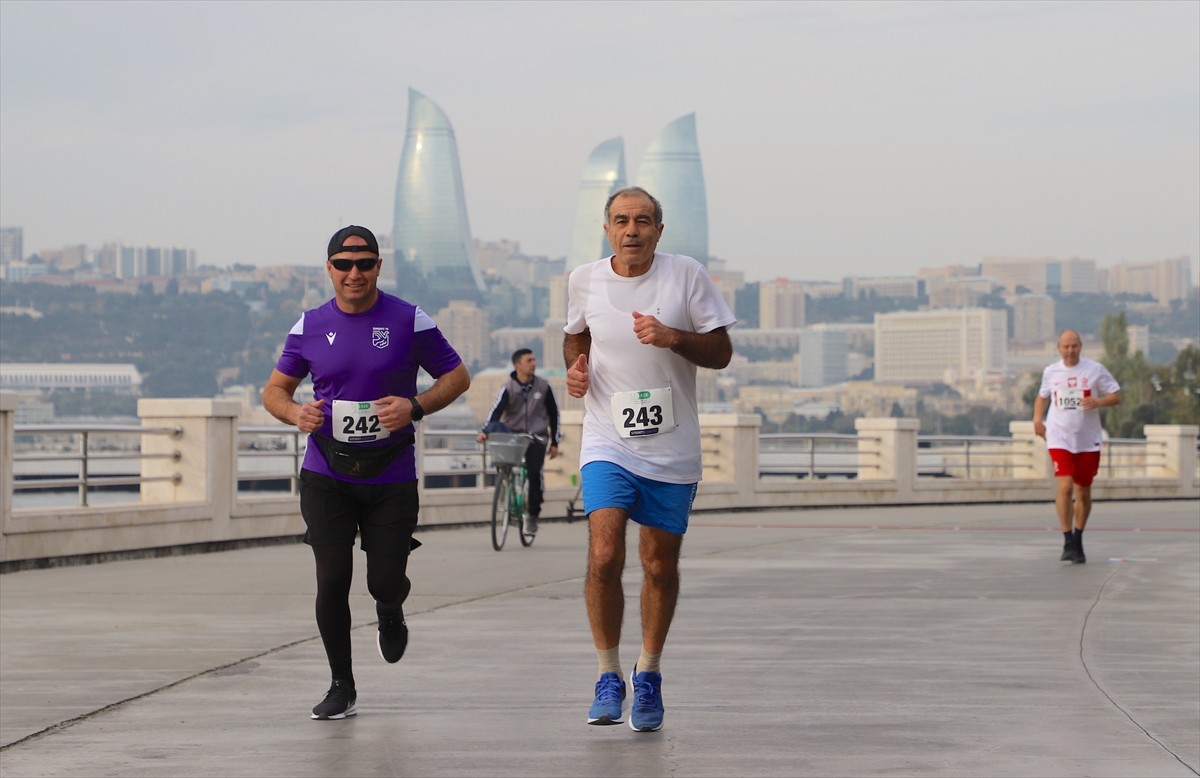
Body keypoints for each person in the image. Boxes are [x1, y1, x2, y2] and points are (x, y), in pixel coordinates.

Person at [263, 225, 470, 720]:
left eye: (364, 264)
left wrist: (415, 406)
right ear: (329, 269)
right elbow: (274, 391)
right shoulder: (309, 325)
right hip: (326, 472)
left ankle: (390, 608)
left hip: (390, 474)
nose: (353, 273)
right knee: (332, 578)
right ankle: (342, 684)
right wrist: (295, 414)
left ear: (379, 267)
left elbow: (457, 376)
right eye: (343, 264)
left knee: (385, 580)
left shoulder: (408, 319)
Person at [563, 186, 736, 732]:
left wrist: (672, 337)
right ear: (607, 230)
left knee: (659, 566)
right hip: (606, 439)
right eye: (621, 220)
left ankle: (650, 672)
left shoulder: (686, 275)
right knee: (604, 554)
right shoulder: (584, 280)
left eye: (642, 221)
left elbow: (721, 352)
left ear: (659, 230)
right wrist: (576, 369)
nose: (631, 230)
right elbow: (576, 337)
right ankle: (607, 673)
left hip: (671, 447)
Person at [1032, 329, 1121, 564]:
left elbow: (1116, 395)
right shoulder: (1051, 372)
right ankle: (1067, 540)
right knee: (1065, 486)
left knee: (1083, 490)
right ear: (1059, 348)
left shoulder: (1095, 369)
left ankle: (1078, 537)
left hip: (1087, 440)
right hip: (1059, 436)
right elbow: (1042, 396)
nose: (1070, 351)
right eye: (1066, 346)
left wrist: (1098, 401)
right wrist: (1037, 419)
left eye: (1074, 346)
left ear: (1081, 347)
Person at [476, 348, 561, 535]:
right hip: (512, 436)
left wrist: (555, 443)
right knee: (503, 463)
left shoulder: (543, 387)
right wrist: (484, 432)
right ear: (517, 365)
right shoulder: (508, 388)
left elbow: (554, 414)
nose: (533, 363)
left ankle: (532, 516)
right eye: (529, 360)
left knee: (534, 473)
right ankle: (505, 488)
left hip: (536, 437)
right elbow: (495, 412)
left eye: (534, 360)